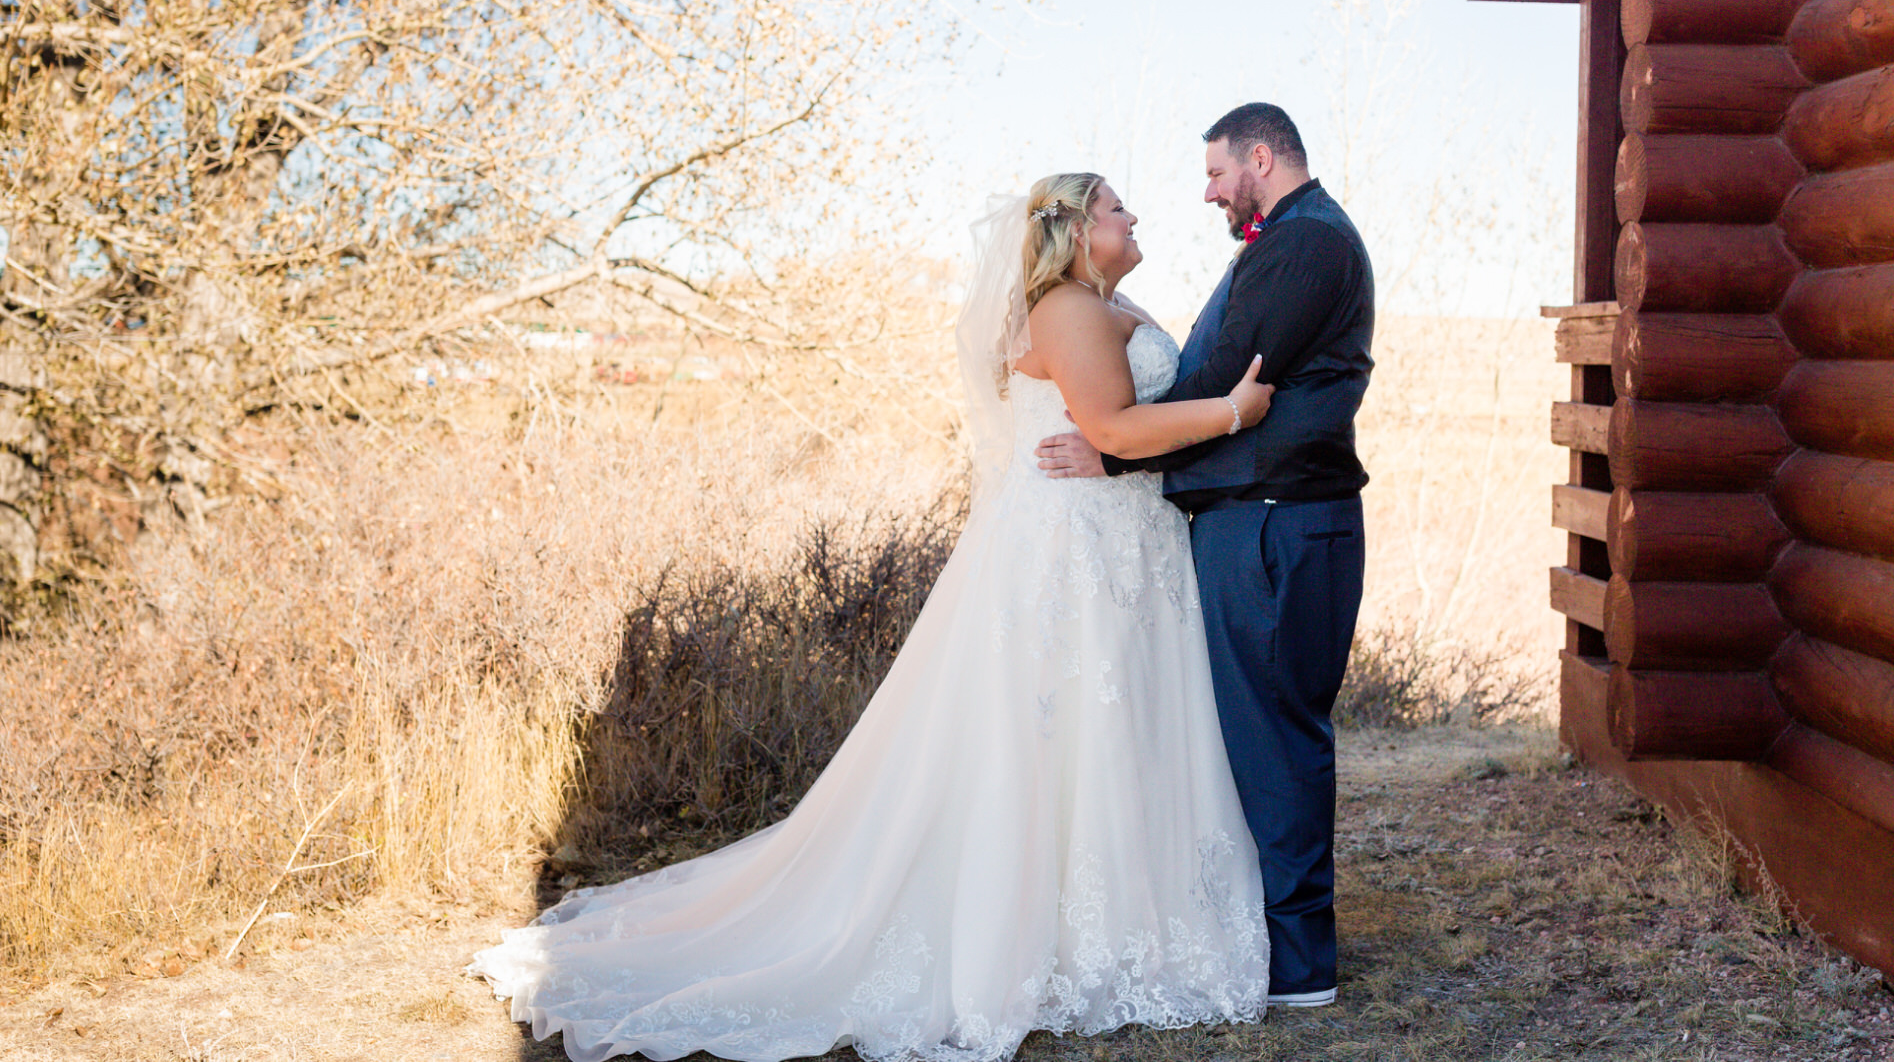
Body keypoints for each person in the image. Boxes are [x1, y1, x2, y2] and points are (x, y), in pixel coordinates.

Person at [469, 172, 1277, 1062]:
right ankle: (1046, 937)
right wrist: (1237, 411)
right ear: (1081, 229)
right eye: (1118, 206)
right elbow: (1117, 429)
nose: (1136, 214)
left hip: (1116, 548)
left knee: (1104, 740)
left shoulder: (1098, 304)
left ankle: (1110, 927)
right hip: (1075, 559)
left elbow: (1112, 432)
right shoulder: (1067, 309)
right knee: (1058, 738)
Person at [1036, 103, 1375, 1010]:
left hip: (1272, 521)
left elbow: (1224, 376)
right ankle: (1274, 936)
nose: (1208, 190)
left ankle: (1301, 963)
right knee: (1257, 733)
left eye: (1219, 172)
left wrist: (1110, 450)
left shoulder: (1305, 245)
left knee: (1273, 736)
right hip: (1262, 516)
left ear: (1261, 158)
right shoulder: (1291, 238)